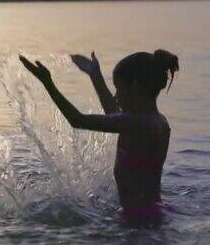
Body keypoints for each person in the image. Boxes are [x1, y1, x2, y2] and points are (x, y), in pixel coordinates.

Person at [20, 50, 179, 226]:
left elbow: (77, 120)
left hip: (138, 221)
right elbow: (115, 114)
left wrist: (47, 83)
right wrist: (95, 76)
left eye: (119, 89)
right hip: (152, 211)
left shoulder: (138, 123)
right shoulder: (155, 121)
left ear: (134, 86)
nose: (116, 97)